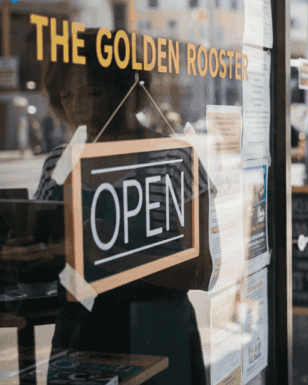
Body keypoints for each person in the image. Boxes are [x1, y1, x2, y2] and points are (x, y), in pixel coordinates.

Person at [23, 29, 210, 384]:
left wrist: (102, 255)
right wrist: (26, 255)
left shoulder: (174, 159)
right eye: (66, 96)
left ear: (127, 91)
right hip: (80, 339)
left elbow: (199, 271)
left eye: (93, 93)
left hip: (157, 334)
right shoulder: (59, 164)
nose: (78, 107)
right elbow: (51, 261)